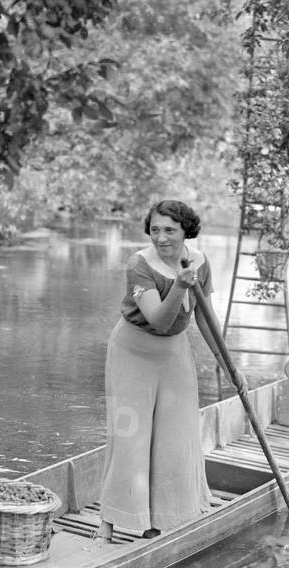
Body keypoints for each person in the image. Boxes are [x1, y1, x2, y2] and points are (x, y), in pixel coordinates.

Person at [96, 200, 221, 543]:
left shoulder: (201, 261)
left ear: (186, 232)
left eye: (170, 230)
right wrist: (180, 285)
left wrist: (227, 363)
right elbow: (159, 320)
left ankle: (162, 521)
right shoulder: (139, 264)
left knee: (175, 438)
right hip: (132, 351)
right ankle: (108, 523)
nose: (161, 238)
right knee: (130, 438)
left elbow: (205, 318)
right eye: (155, 230)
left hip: (175, 354)